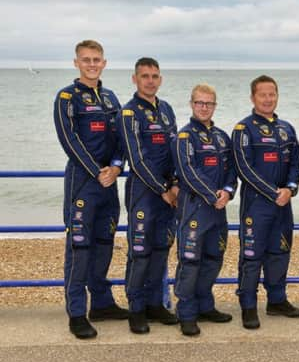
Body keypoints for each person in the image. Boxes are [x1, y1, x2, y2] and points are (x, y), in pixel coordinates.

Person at [54, 39, 128, 339]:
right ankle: (76, 313)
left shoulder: (111, 98)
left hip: (108, 183)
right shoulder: (66, 97)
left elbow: (123, 141)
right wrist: (97, 171)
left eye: (96, 59)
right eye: (86, 59)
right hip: (83, 182)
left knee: (104, 245)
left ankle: (101, 303)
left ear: (104, 62)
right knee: (80, 249)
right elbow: (68, 141)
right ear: (76, 63)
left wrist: (116, 167)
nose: (92, 64)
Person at [232, 75, 299, 329]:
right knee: (252, 256)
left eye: (272, 94)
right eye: (262, 94)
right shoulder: (243, 130)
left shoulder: (287, 128)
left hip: (284, 205)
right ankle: (248, 306)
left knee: (280, 252)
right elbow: (244, 169)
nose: (267, 99)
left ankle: (277, 300)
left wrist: (291, 189)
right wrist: (275, 193)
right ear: (253, 97)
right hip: (257, 205)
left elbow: (297, 163)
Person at [117, 57, 179, 334]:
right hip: (144, 192)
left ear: (160, 79)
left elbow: (177, 151)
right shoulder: (129, 113)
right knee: (140, 252)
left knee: (161, 250)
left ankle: (156, 304)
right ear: (135, 79)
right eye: (145, 76)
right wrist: (163, 189)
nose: (150, 80)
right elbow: (136, 159)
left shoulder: (166, 110)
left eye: (155, 76)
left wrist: (175, 184)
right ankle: (136, 309)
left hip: (169, 194)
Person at [173, 83, 237, 336]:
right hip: (194, 208)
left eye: (209, 103)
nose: (204, 107)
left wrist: (228, 191)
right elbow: (187, 172)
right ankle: (186, 312)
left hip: (218, 209)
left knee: (213, 259)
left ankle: (205, 305)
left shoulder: (222, 136)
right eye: (199, 103)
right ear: (191, 104)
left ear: (214, 106)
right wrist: (212, 195)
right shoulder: (184, 137)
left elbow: (232, 170)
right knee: (190, 262)